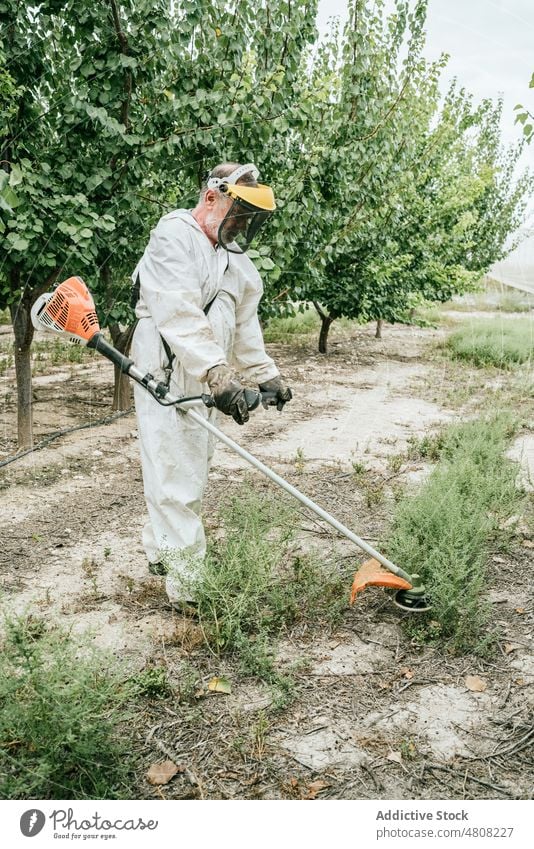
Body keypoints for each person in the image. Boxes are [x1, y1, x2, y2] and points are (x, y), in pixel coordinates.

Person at [130, 162, 292, 606]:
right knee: (173, 471)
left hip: (204, 372)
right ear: (211, 198)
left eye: (248, 220)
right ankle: (189, 588)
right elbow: (178, 314)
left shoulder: (232, 260)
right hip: (167, 369)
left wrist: (264, 375)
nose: (241, 227)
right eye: (237, 214)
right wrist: (218, 374)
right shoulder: (174, 235)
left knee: (190, 467)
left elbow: (243, 324)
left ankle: (160, 551)